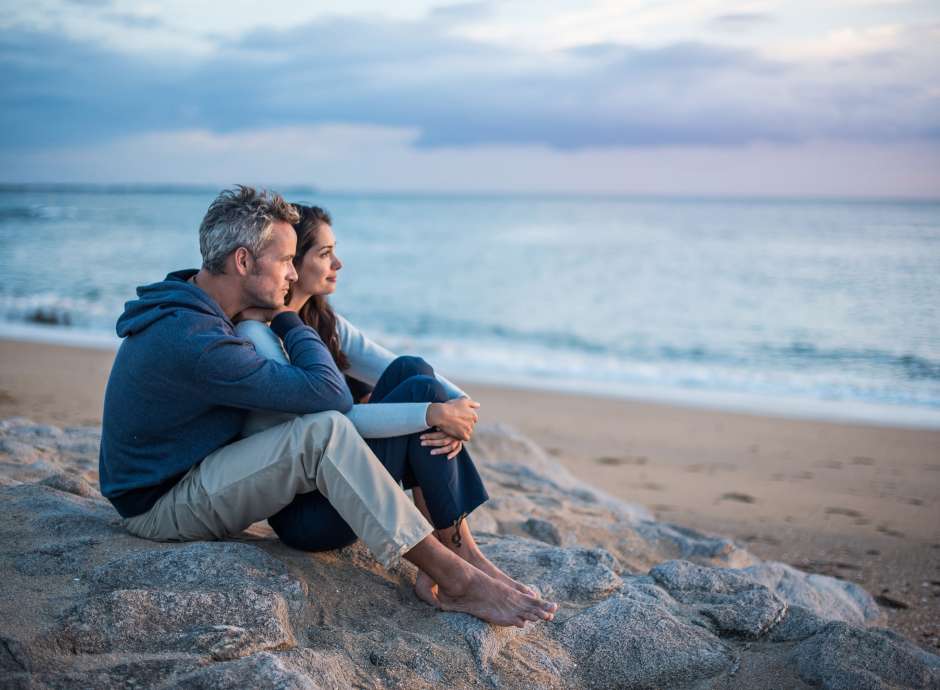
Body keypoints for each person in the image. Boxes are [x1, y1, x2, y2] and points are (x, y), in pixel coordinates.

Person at [98, 186, 556, 628]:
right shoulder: (200, 340)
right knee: (324, 433)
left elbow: (352, 380)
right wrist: (286, 315)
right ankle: (455, 577)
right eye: (283, 261)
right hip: (159, 505)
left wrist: (444, 405)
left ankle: (458, 551)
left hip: (187, 473)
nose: (294, 274)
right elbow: (330, 396)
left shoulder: (196, 308)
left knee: (406, 379)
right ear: (242, 261)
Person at [235, 204, 536, 605]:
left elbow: (396, 367)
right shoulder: (258, 336)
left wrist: (458, 408)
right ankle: (455, 554)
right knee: (420, 398)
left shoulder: (320, 322)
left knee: (413, 371)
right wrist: (432, 414)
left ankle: (456, 550)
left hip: (346, 487)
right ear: (293, 263)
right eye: (323, 254)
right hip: (306, 516)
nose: (337, 263)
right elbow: (329, 429)